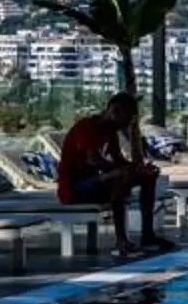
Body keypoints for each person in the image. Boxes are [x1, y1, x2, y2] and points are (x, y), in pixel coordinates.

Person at [58, 90, 168, 257]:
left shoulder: (109, 132)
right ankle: (121, 240)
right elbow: (93, 160)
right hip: (74, 188)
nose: (125, 126)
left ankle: (147, 235)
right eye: (125, 120)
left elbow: (118, 160)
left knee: (147, 177)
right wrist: (121, 171)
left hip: (95, 183)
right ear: (114, 111)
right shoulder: (86, 127)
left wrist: (138, 169)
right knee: (119, 178)